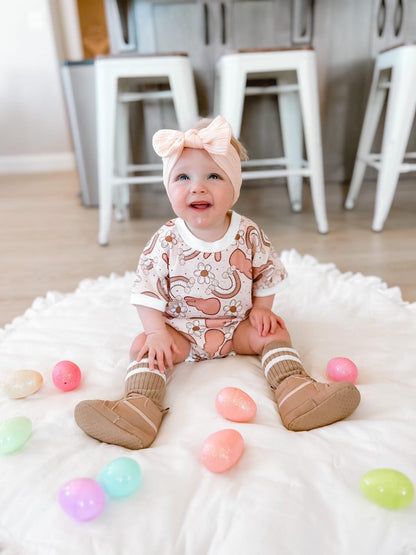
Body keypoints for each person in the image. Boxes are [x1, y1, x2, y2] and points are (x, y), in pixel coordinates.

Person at [74, 116, 360, 449]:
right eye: (183, 177)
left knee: (275, 331)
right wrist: (157, 333)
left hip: (237, 327)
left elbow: (266, 272)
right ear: (170, 188)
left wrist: (261, 311)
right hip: (180, 333)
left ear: (234, 188)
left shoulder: (247, 233)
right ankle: (139, 408)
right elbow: (146, 290)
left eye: (213, 176)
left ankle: (296, 393)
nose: (197, 187)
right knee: (143, 346)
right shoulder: (166, 240)